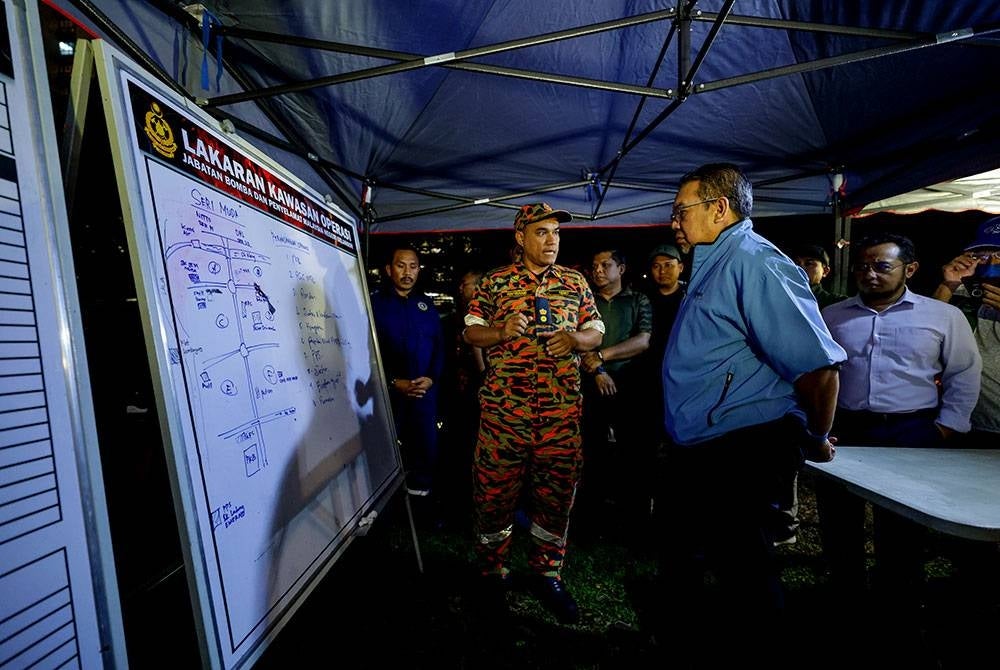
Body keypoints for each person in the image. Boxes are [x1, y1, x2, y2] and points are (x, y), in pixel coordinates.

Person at [657, 164, 846, 658]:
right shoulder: (714, 260)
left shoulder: (754, 261)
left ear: (719, 208)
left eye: (682, 211)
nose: (673, 222)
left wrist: (814, 435)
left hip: (740, 446)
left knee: (744, 569)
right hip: (701, 443)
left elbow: (819, 370)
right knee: (689, 557)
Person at [818, 232, 982, 609]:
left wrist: (947, 426)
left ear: (909, 269)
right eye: (862, 266)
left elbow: (964, 372)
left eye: (881, 266)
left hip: (911, 430)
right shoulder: (834, 316)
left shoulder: (943, 316)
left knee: (901, 525)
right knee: (840, 519)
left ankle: (898, 600)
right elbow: (821, 372)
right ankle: (846, 593)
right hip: (848, 429)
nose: (869, 274)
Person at [462, 202, 604, 624]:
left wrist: (577, 341)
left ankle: (546, 573)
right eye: (542, 232)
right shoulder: (495, 283)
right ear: (521, 237)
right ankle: (492, 573)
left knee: (556, 501)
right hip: (505, 418)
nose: (552, 240)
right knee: (492, 499)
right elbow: (470, 329)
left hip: (560, 417)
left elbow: (597, 330)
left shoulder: (575, 282)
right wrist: (501, 332)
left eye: (556, 233)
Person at [769, 244, 849, 547]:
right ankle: (784, 523)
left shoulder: (836, 307)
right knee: (785, 459)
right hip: (788, 391)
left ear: (825, 271)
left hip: (825, 392)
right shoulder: (781, 301)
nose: (801, 267)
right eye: (796, 261)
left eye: (811, 263)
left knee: (825, 457)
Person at [578, 248, 652, 537]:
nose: (597, 270)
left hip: (629, 388)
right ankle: (590, 521)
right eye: (594, 265)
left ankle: (633, 523)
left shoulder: (638, 300)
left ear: (621, 269)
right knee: (591, 454)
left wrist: (601, 358)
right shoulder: (586, 302)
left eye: (605, 264)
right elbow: (578, 342)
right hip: (591, 387)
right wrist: (597, 371)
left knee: (631, 455)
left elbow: (643, 340)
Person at [370, 245, 445, 508]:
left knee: (425, 448)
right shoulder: (375, 305)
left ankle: (421, 501)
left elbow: (439, 348)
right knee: (385, 451)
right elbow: (365, 350)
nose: (407, 272)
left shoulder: (426, 305)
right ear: (389, 269)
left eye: (413, 266)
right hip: (388, 393)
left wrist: (431, 379)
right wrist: (393, 382)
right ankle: (385, 507)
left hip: (424, 393)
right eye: (401, 265)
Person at [932, 216, 1000, 447]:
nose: (991, 262)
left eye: (999, 255)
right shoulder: (963, 292)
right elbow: (925, 336)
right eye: (982, 255)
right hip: (966, 424)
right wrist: (947, 285)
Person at [788, 243, 847, 309]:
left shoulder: (837, 303)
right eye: (796, 264)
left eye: (809, 264)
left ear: (825, 271)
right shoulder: (783, 298)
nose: (800, 268)